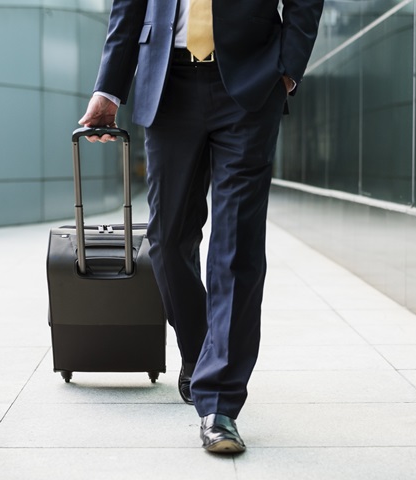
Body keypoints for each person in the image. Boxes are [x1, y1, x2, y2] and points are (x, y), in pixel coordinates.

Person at [79, 0, 324, 454]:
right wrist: (109, 89)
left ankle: (219, 404)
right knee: (167, 242)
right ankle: (200, 352)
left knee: (236, 246)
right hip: (166, 82)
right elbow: (128, 6)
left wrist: (288, 67)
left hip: (249, 83)